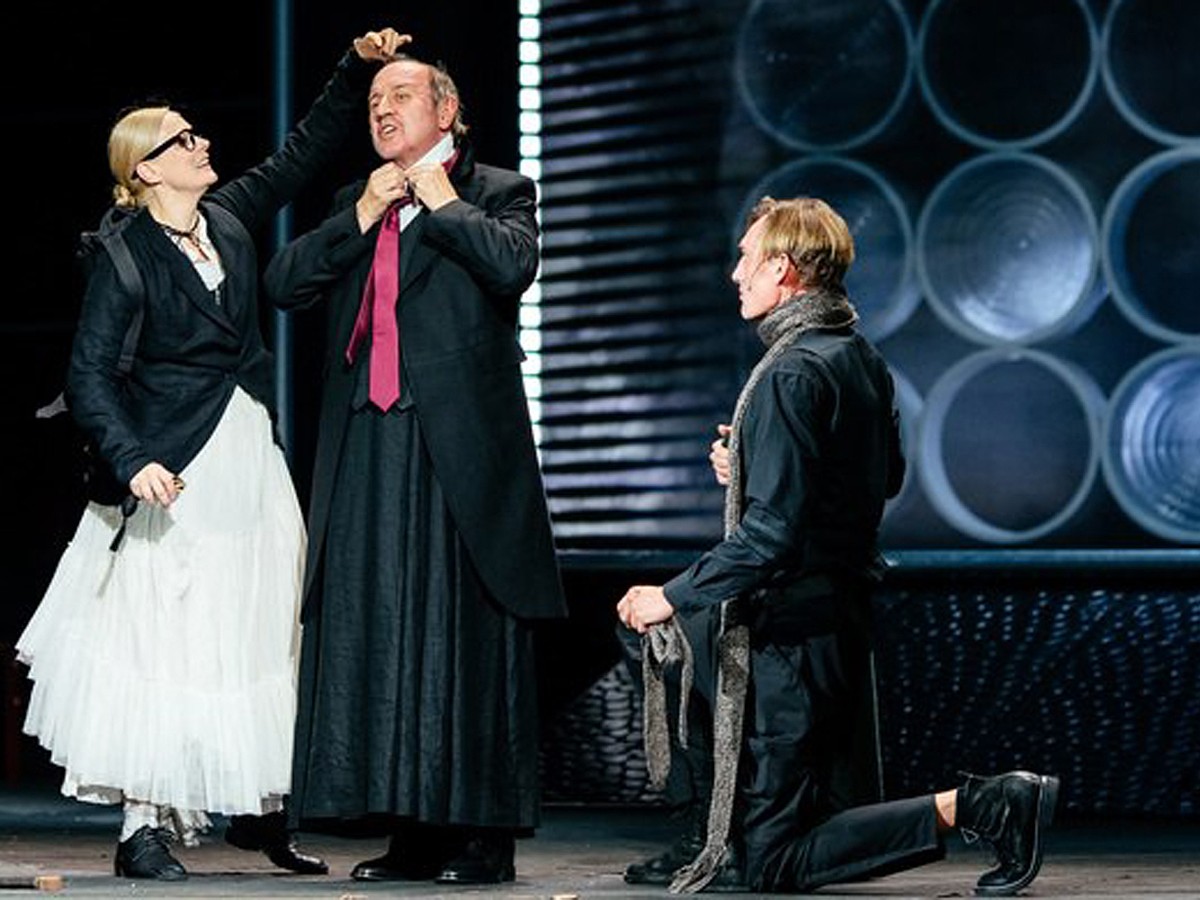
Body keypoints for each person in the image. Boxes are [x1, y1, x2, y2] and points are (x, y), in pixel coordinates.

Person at [15, 27, 410, 881]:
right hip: (172, 465)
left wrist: (355, 68)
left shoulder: (224, 219)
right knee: (169, 636)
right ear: (145, 169)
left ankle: (258, 806)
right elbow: (89, 376)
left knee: (261, 622)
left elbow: (300, 157)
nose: (201, 145)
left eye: (196, 134)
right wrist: (133, 460)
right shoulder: (124, 256)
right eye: (182, 140)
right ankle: (141, 828)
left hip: (246, 453)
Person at [616, 197, 1059, 895]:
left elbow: (771, 535)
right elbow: (884, 477)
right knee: (776, 822)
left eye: (746, 258)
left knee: (774, 861)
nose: (735, 273)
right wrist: (756, 463)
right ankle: (712, 839)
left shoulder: (791, 371)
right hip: (836, 618)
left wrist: (670, 595)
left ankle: (986, 804)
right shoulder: (858, 355)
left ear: (783, 269)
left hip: (793, 631)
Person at [263, 55, 566, 885]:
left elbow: (513, 267)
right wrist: (363, 212)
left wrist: (443, 201)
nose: (383, 110)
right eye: (374, 100)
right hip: (369, 439)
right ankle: (410, 827)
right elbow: (284, 283)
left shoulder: (499, 190)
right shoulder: (355, 201)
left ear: (447, 108)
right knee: (385, 628)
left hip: (458, 445)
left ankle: (481, 833)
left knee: (462, 632)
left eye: (400, 95)